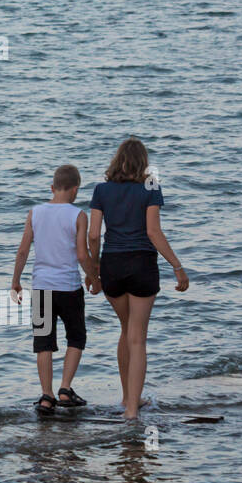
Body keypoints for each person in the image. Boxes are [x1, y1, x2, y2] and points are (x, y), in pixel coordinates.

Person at [88, 138, 190, 420]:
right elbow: (153, 233)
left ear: (116, 160)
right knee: (138, 339)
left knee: (125, 331)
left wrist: (94, 268)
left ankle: (126, 398)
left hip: (112, 266)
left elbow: (94, 234)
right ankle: (132, 409)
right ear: (143, 162)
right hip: (142, 265)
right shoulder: (151, 187)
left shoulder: (101, 190)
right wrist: (177, 266)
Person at [11, 164, 101, 414]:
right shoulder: (78, 215)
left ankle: (46, 396)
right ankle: (65, 389)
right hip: (69, 288)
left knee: (44, 342)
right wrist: (93, 276)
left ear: (52, 188)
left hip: (41, 289)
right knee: (76, 337)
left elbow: (23, 250)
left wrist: (15, 282)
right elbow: (83, 255)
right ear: (75, 190)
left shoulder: (35, 212)